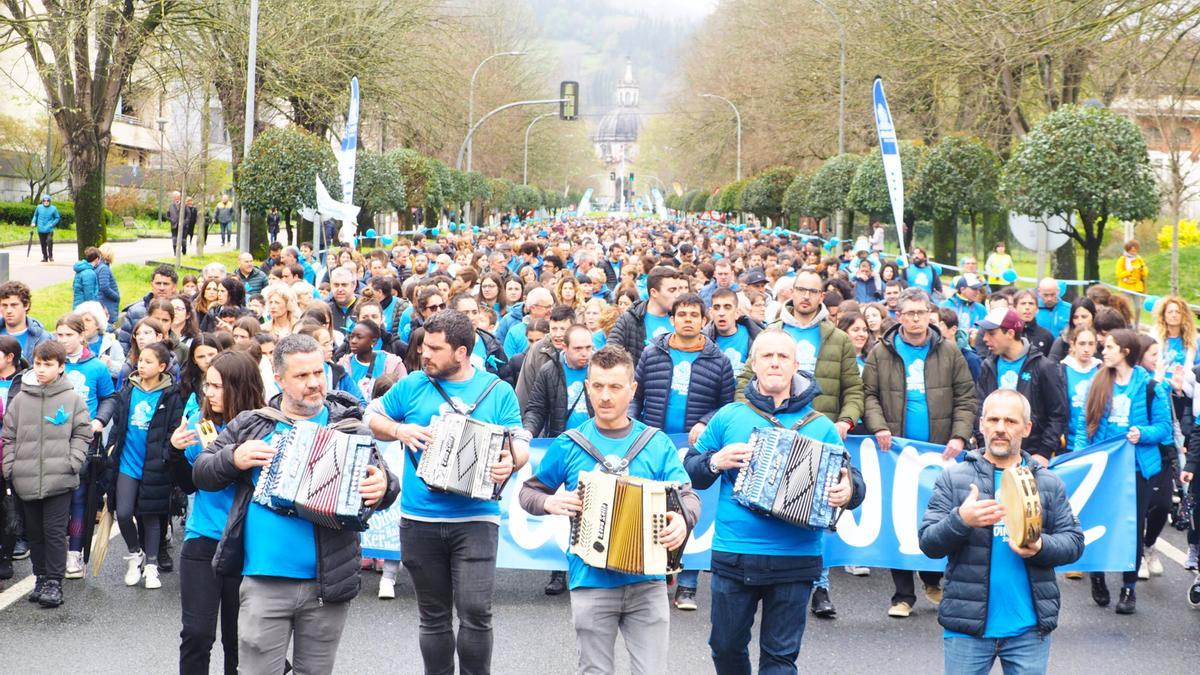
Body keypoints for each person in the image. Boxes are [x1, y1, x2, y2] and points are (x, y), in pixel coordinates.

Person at [193, 334, 397, 673]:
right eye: (302, 376)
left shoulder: (348, 425)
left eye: (318, 373)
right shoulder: (253, 423)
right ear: (279, 379)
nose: (314, 383)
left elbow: (386, 484)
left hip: (326, 584)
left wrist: (384, 485)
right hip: (263, 580)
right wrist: (234, 457)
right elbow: (203, 471)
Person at [685, 329, 864, 673]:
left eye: (783, 357)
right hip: (735, 552)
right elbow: (692, 470)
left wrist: (848, 490)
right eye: (767, 356)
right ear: (753, 363)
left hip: (795, 558)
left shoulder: (820, 425)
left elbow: (853, 482)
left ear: (797, 365)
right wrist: (714, 461)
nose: (775, 363)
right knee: (724, 647)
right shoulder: (728, 416)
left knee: (780, 658)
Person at [364, 310, 529, 675]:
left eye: (435, 349)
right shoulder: (412, 384)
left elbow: (519, 440)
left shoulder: (496, 390)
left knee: (475, 612)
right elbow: (369, 416)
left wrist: (511, 461)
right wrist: (399, 431)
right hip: (419, 518)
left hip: (475, 519)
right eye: (424, 346)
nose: (425, 354)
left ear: (461, 352)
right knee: (433, 616)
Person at [519, 344, 700, 674]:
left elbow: (689, 497)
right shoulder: (570, 442)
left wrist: (683, 521)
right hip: (590, 579)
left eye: (615, 387)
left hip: (648, 581)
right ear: (587, 387)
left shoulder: (655, 442)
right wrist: (549, 502)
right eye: (598, 386)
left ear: (632, 390)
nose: (605, 396)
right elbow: (529, 492)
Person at [920, 389, 1085, 674]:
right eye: (993, 420)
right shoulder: (954, 478)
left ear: (1027, 427)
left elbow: (1073, 541)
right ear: (981, 424)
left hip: (1029, 631)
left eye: (1010, 421)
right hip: (967, 629)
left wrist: (1041, 547)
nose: (1000, 429)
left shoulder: (1047, 482)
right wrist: (960, 519)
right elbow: (929, 542)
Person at [862, 287, 977, 618]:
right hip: (896, 451)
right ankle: (902, 595)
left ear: (930, 314)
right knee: (899, 519)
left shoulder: (950, 352)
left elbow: (966, 398)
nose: (915, 319)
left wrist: (959, 436)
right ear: (898, 317)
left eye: (921, 312)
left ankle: (933, 579)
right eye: (909, 313)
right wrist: (879, 425)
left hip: (938, 453)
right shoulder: (881, 353)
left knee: (936, 518)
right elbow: (868, 393)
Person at [170, 351, 264, 675]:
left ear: (239, 386)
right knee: (197, 634)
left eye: (216, 386)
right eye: (206, 385)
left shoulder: (265, 427)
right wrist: (175, 452)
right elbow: (191, 485)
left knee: (238, 642)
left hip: (248, 545)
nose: (207, 393)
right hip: (204, 539)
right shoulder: (201, 423)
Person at [1085, 329, 1173, 614]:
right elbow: (1083, 428)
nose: (1104, 351)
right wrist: (1079, 458)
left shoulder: (1149, 387)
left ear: (1125, 351)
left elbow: (1164, 429)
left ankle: (1128, 588)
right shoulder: (1097, 382)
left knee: (1133, 530)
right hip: (1104, 466)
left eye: (1109, 347)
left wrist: (1142, 433)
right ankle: (1097, 575)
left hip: (1138, 469)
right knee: (1100, 523)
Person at [1, 341, 92, 607]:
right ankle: (40, 576)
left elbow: (82, 432)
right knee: (34, 532)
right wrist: (11, 468)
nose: (41, 369)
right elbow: (8, 436)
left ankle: (54, 581)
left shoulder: (72, 399)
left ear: (61, 367)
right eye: (38, 363)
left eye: (48, 364)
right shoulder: (20, 399)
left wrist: (72, 461)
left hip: (59, 478)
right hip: (25, 476)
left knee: (54, 531)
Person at [105, 341, 183, 590]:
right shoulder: (129, 388)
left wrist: (164, 457)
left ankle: (151, 566)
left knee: (151, 516)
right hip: (128, 461)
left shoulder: (171, 393)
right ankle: (133, 553)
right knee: (125, 512)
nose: (142, 365)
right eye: (141, 360)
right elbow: (119, 424)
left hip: (154, 465)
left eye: (149, 361)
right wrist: (112, 449)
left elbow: (174, 427)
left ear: (162, 366)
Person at [54, 314, 117, 578]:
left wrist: (100, 420)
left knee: (79, 498)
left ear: (82, 335)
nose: (64, 340)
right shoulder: (52, 363)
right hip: (53, 439)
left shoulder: (96, 367)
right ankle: (54, 550)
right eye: (59, 335)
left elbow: (108, 397)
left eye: (69, 335)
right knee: (55, 497)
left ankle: (75, 552)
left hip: (83, 441)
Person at [975, 309, 1067, 464]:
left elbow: (1058, 414)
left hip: (1031, 458)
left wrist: (1044, 452)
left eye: (991, 333)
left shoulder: (1043, 367)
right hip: (992, 455)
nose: (984, 338)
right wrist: (984, 446)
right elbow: (979, 409)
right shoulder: (988, 365)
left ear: (1010, 334)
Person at [522, 324, 595, 440]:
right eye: (578, 348)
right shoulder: (549, 371)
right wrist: (528, 431)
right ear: (564, 347)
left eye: (588, 348)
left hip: (593, 441)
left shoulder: (601, 368)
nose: (585, 353)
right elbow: (536, 409)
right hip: (561, 442)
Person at [609, 266, 689, 365]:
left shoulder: (683, 319)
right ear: (654, 292)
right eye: (672, 290)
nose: (678, 295)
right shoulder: (630, 319)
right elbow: (611, 354)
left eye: (679, 289)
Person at [118, 264, 179, 352]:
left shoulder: (181, 310)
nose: (161, 288)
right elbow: (124, 343)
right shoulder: (135, 311)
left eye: (166, 284)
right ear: (152, 285)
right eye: (158, 283)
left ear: (174, 287)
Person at [703, 287, 762, 374]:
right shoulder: (703, 339)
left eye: (727, 307)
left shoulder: (755, 337)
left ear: (737, 313)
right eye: (717, 307)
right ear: (711, 313)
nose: (721, 313)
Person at [0, 280, 52, 364]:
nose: (8, 310)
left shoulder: (43, 338)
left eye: (14, 305)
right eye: (4, 305)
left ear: (26, 305)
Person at [30, 195, 61, 262]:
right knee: (43, 244)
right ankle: (45, 257)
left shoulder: (53, 208)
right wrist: (33, 222)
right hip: (40, 229)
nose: (46, 202)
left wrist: (52, 224)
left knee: (49, 241)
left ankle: (50, 256)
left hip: (49, 229)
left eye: (47, 200)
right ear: (42, 201)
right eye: (44, 200)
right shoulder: (39, 207)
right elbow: (35, 215)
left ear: (50, 201)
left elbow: (57, 218)